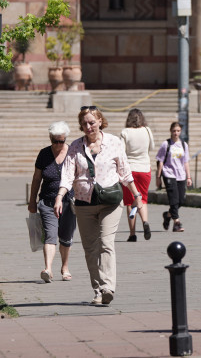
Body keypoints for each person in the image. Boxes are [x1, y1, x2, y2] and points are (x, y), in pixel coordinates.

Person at [54, 105, 142, 307]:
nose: (88, 126)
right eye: (84, 123)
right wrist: (60, 197)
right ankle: (98, 290)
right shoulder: (75, 147)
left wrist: (136, 194)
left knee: (106, 243)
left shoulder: (114, 142)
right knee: (90, 249)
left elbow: (125, 171)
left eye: (92, 122)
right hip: (84, 203)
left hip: (110, 202)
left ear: (100, 121)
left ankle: (108, 287)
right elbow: (67, 176)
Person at [27, 121, 75, 282]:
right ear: (50, 138)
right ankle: (48, 268)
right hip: (47, 201)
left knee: (66, 237)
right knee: (50, 235)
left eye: (61, 141)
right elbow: (36, 179)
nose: (58, 144)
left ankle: (65, 267)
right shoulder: (44, 154)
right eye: (54, 141)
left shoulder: (72, 153)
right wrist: (32, 201)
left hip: (69, 202)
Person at [119, 108, 154, 242]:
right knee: (143, 199)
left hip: (130, 170)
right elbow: (151, 147)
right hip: (145, 169)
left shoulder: (125, 132)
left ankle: (132, 234)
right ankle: (145, 221)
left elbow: (121, 152)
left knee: (129, 202)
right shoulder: (147, 130)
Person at [155, 121, 191, 233]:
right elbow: (160, 161)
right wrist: (158, 177)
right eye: (174, 131)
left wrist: (189, 177)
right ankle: (177, 223)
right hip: (169, 174)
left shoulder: (184, 145)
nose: (176, 133)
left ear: (180, 131)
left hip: (181, 175)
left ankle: (168, 215)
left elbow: (186, 162)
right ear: (171, 131)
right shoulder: (166, 144)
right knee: (174, 199)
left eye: (178, 131)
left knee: (181, 200)